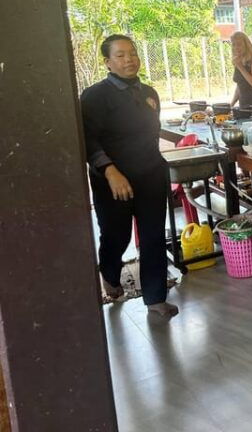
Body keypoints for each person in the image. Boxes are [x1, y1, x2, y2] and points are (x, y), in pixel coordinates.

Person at [80, 35, 178, 318]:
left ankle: (156, 298)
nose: (129, 60)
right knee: (116, 235)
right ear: (107, 62)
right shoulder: (94, 97)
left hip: (150, 176)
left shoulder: (149, 93)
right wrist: (110, 171)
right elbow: (88, 140)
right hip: (113, 181)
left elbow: (150, 133)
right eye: (121, 55)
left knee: (153, 237)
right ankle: (110, 273)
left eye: (132, 53)